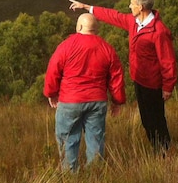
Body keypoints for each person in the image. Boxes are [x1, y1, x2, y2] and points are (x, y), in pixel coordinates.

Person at [69, 0, 177, 154]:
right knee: (146, 120)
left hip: (153, 84)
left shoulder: (159, 31)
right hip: (139, 80)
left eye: (132, 4)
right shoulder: (134, 22)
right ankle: (158, 150)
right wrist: (87, 7)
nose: (129, 6)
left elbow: (168, 61)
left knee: (156, 120)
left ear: (140, 7)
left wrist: (168, 86)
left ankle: (165, 151)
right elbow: (113, 15)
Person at [44, 13, 126, 171]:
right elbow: (116, 78)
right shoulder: (107, 48)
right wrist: (117, 101)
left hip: (70, 100)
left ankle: (70, 176)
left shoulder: (66, 46)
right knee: (96, 140)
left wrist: (51, 93)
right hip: (97, 101)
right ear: (96, 29)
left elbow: (53, 71)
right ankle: (94, 176)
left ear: (79, 27)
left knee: (67, 140)